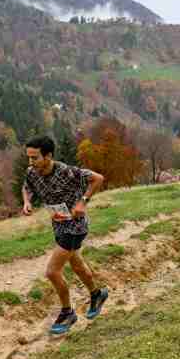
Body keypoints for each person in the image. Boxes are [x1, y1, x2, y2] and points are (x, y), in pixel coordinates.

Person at [22, 136, 109, 334]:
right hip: (58, 224)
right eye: (29, 157)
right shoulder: (32, 172)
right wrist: (27, 202)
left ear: (48, 155)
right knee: (77, 265)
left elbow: (98, 178)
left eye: (34, 158)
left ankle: (67, 312)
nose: (30, 162)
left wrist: (83, 202)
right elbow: (26, 187)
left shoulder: (68, 172)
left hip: (75, 226)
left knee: (52, 272)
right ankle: (97, 294)